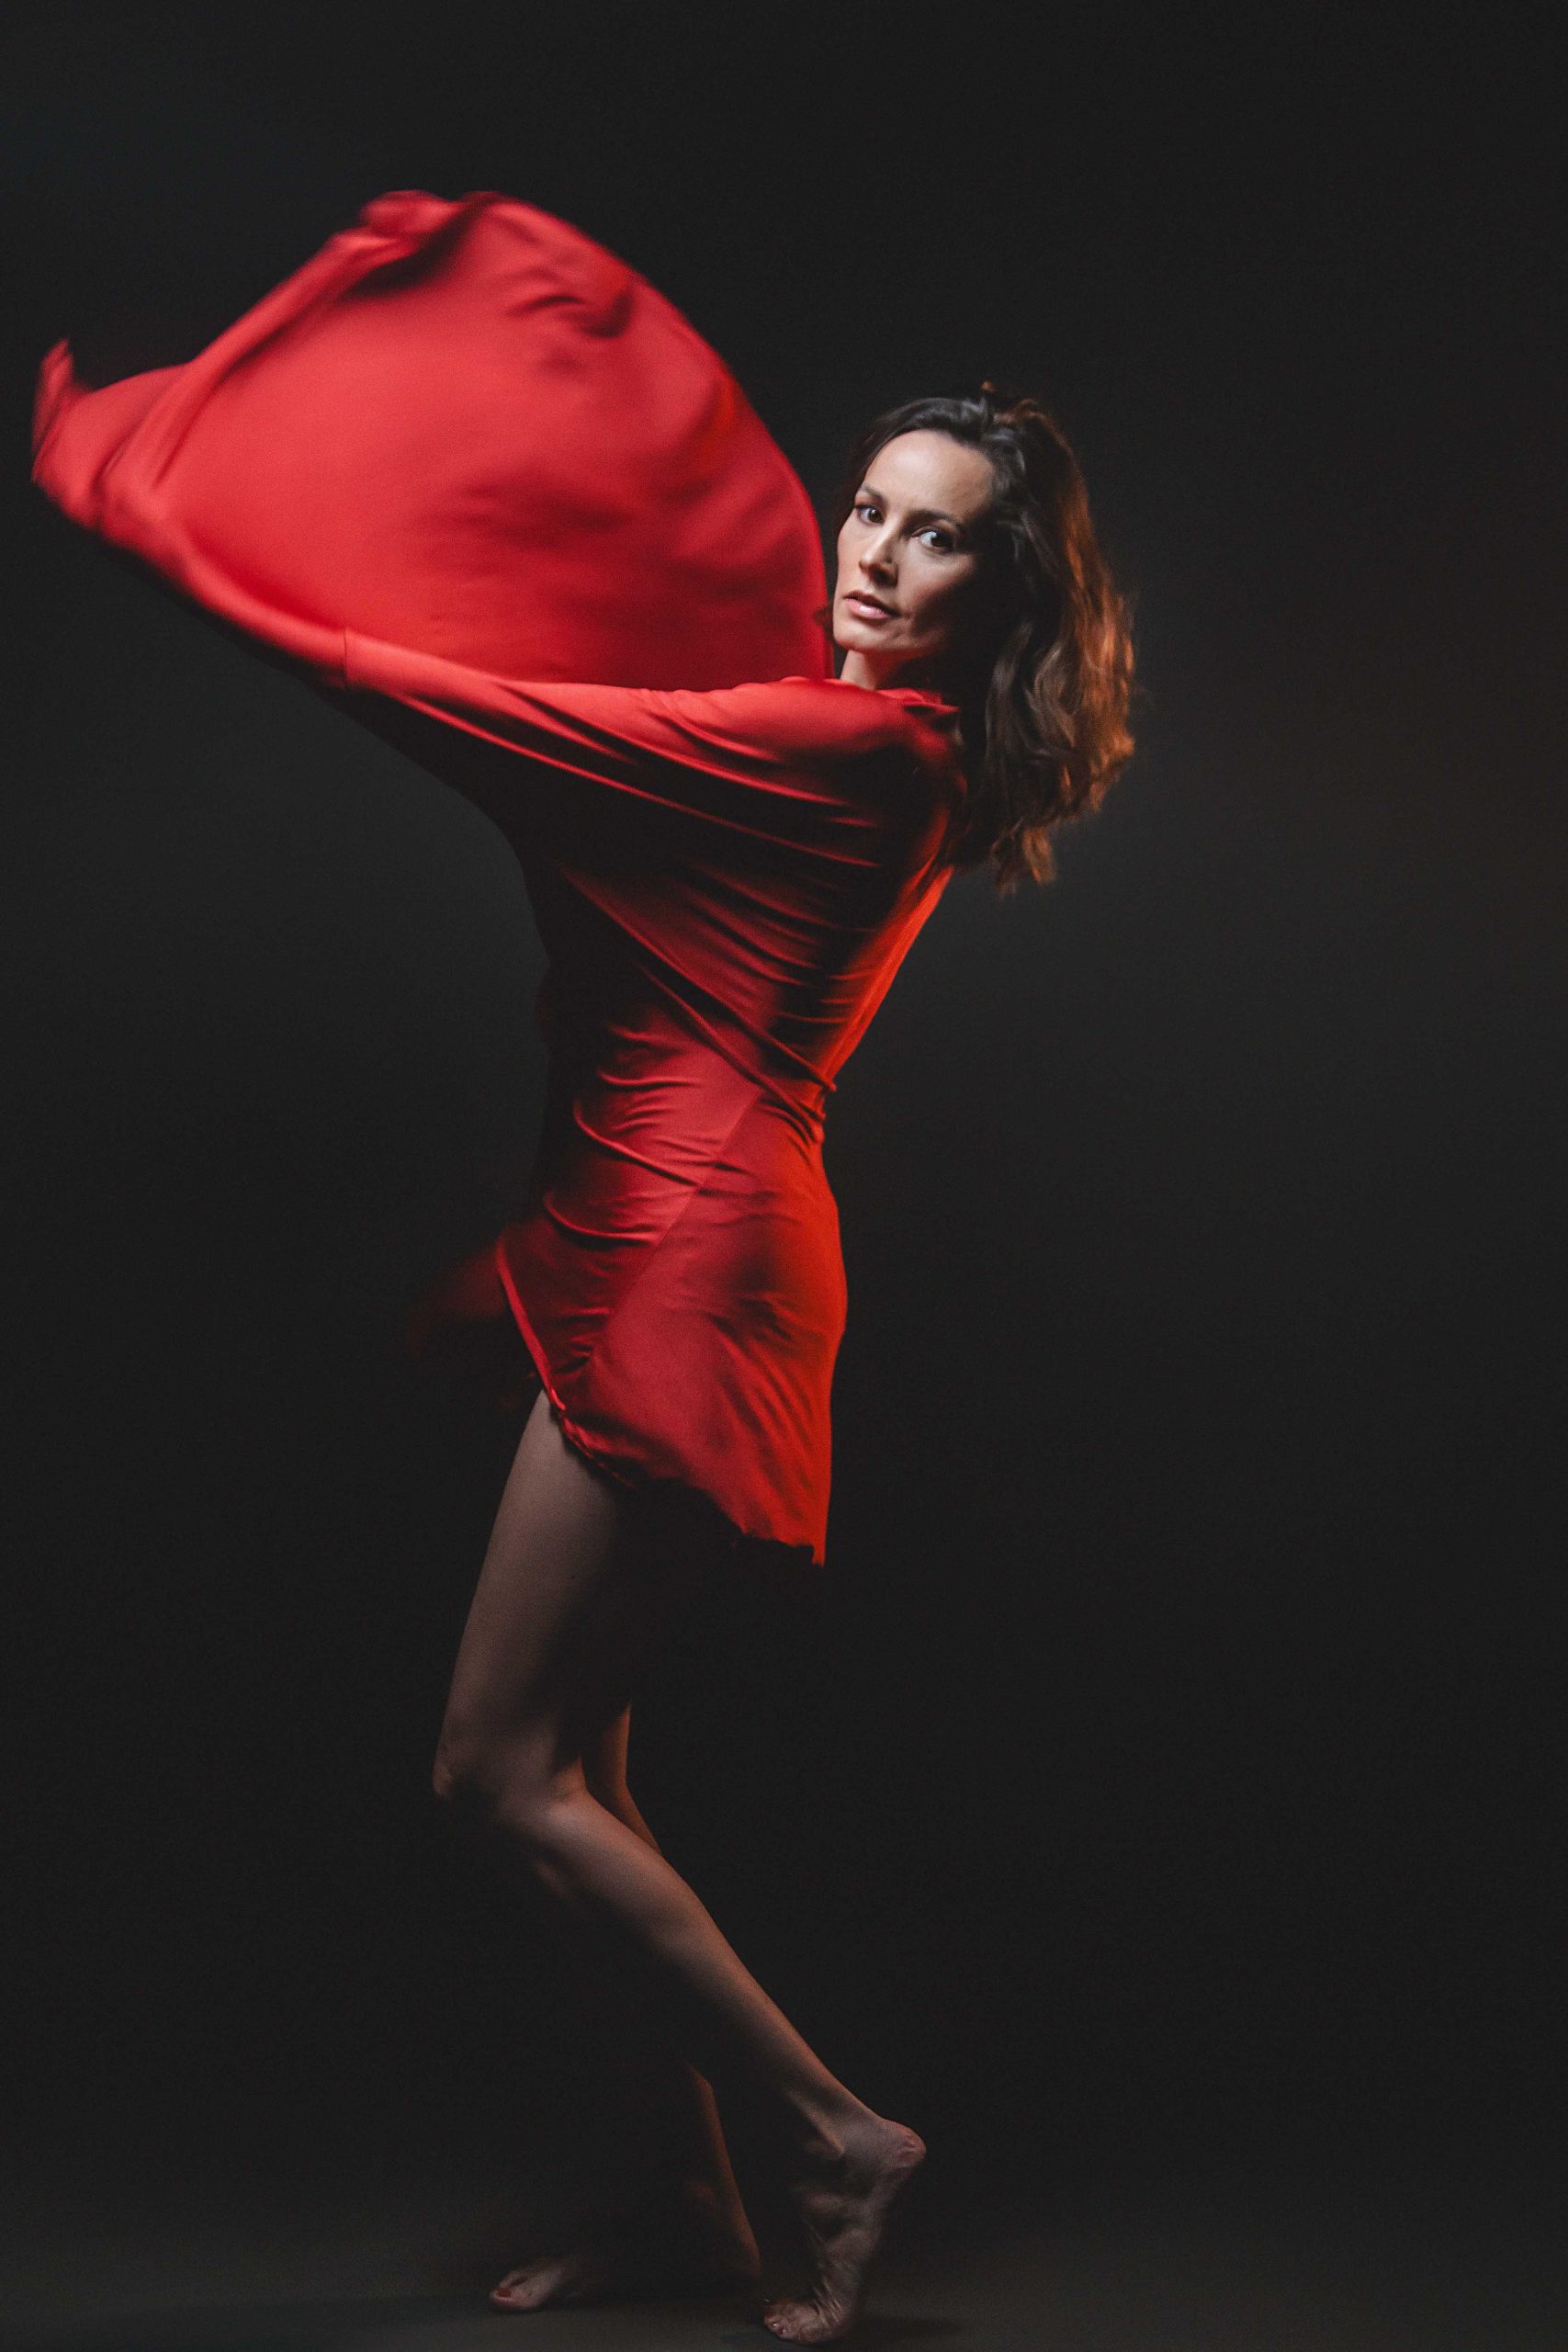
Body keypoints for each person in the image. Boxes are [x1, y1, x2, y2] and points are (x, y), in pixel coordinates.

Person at [31, 190, 1134, 2342]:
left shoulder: (851, 755)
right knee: (575, 1772)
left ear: (1001, 592)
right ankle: (687, 2203)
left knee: (499, 1768)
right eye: (867, 509)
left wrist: (211, 554)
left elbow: (497, 722)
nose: (872, 556)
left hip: (688, 1266)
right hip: (636, 1223)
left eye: (934, 541)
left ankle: (826, 2131)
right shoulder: (851, 726)